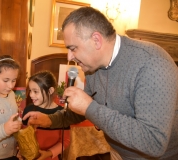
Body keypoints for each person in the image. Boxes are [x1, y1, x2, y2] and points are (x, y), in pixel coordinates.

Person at [23, 7, 178, 160]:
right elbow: (82, 111)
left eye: (73, 48)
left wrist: (90, 107)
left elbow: (154, 142)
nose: (69, 57)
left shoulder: (151, 63)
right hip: (118, 153)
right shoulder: (92, 68)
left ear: (96, 40)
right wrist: (50, 119)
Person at [18, 70, 70, 160]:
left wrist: (48, 153)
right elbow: (23, 137)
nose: (31, 95)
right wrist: (21, 150)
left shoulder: (62, 114)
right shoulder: (28, 109)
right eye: (30, 91)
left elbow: (65, 141)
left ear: (50, 90)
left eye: (35, 91)